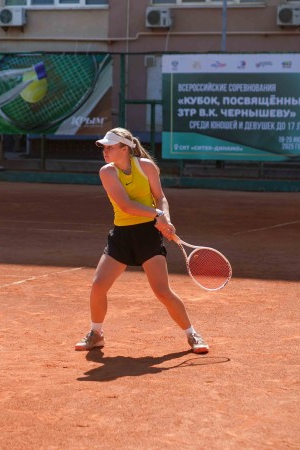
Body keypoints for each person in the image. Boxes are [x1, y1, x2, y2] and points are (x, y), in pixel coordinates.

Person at [75, 128, 209, 354]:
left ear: (124, 149)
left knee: (162, 291)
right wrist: (157, 214)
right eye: (104, 147)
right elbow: (126, 205)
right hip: (122, 236)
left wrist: (166, 219)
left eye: (110, 147)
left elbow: (160, 197)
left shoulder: (146, 167)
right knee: (98, 286)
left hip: (148, 235)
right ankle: (96, 333)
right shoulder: (107, 172)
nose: (105, 151)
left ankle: (192, 334)